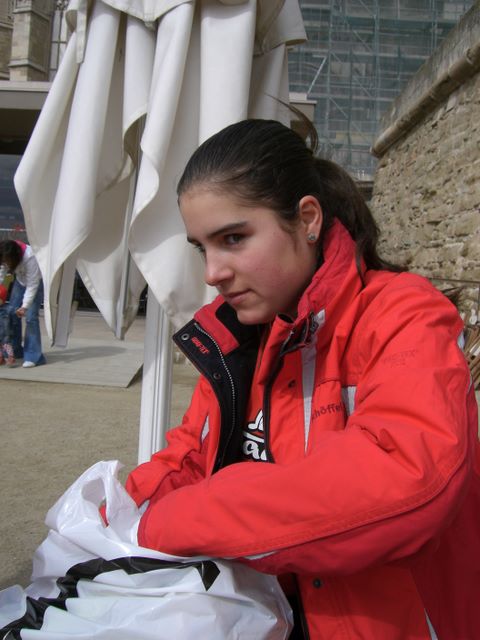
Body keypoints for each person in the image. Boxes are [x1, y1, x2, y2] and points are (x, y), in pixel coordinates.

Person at [124, 119, 479, 639]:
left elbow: (405, 478)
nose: (212, 272)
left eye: (234, 238)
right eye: (203, 247)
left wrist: (166, 524)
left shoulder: (404, 315)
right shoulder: (236, 338)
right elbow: (191, 455)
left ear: (307, 219)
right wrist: (119, 512)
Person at [0, 240, 46, 368]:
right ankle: (16, 350)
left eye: (7, 261)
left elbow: (32, 285)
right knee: (12, 314)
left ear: (15, 257)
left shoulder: (30, 257)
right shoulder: (4, 253)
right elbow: (1, 274)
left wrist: (24, 306)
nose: (6, 263)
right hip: (20, 282)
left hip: (35, 284)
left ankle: (34, 356)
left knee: (31, 318)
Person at [0, 283, 15, 367]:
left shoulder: (6, 309)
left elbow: (13, 310)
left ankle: (10, 357)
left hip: (5, 332)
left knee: (6, 344)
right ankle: (1, 358)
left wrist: (18, 311)